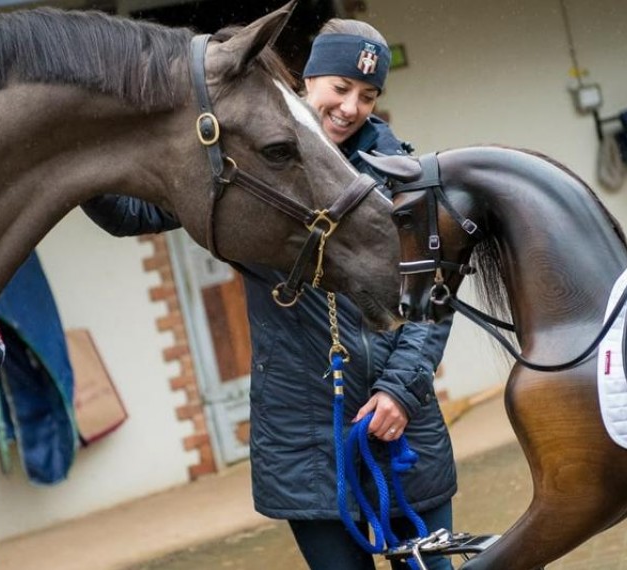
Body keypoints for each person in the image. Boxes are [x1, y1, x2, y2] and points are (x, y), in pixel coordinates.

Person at [82, 19, 456, 570]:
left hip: (400, 429)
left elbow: (430, 300)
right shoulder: (249, 165)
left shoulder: (403, 177)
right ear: (308, 80)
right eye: (341, 88)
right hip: (303, 435)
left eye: (368, 95)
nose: (352, 107)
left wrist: (401, 391)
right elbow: (128, 214)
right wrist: (90, 149)